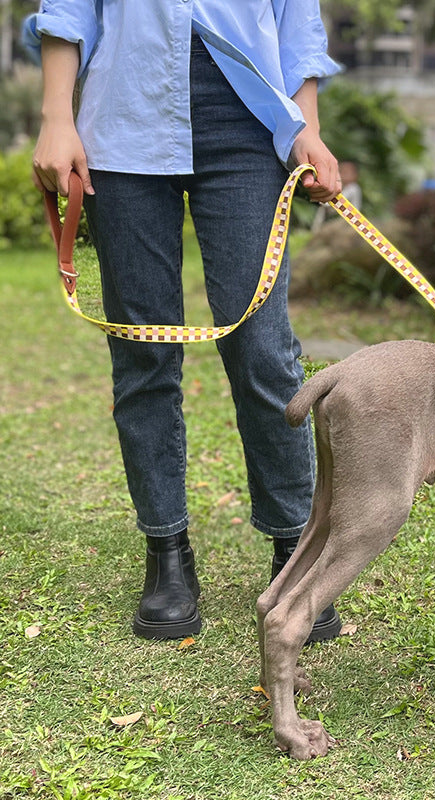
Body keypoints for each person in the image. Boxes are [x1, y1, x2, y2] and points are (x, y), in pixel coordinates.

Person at [23, 1, 344, 642]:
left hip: (251, 126)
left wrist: (306, 125)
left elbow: (296, 23)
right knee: (142, 350)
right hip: (123, 119)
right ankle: (166, 554)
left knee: (263, 348)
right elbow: (67, 10)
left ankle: (295, 551)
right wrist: (57, 119)